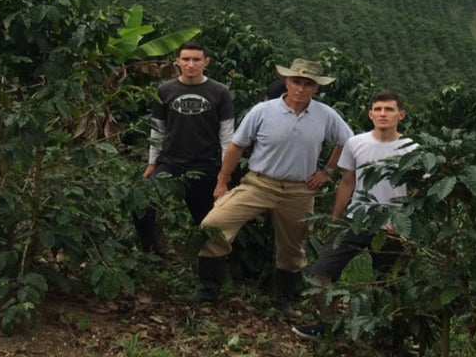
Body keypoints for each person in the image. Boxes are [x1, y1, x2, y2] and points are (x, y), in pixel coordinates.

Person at [181, 58, 353, 314]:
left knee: (293, 247)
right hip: (259, 183)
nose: (301, 89)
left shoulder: (325, 115)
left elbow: (347, 142)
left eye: (308, 84)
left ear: (316, 88)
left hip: (299, 190)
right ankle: (209, 288)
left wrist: (328, 172)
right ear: (286, 81)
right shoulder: (263, 110)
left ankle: (284, 298)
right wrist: (222, 181)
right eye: (296, 81)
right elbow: (237, 145)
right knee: (213, 225)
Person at [292, 91, 416, 339]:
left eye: (389, 109)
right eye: (378, 109)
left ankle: (391, 334)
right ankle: (326, 324)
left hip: (392, 225)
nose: (383, 114)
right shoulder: (356, 143)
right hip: (356, 219)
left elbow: (416, 190)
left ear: (400, 115)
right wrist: (336, 218)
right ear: (370, 114)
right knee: (323, 271)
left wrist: (407, 223)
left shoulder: (411, 149)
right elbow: (347, 182)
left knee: (390, 282)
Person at [134, 41, 235, 254]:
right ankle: (151, 251)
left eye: (196, 60)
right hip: (170, 164)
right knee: (142, 205)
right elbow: (157, 130)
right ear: (177, 61)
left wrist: (223, 176)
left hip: (204, 167)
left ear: (206, 62)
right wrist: (152, 163)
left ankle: (208, 262)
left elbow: (227, 137)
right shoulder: (165, 90)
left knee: (208, 223)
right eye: (186, 59)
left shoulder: (220, 92)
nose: (191, 64)